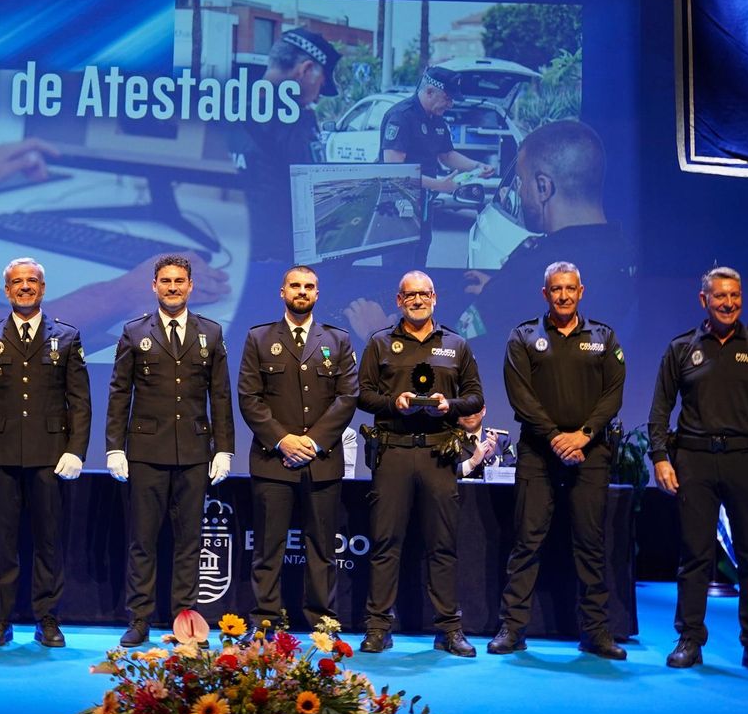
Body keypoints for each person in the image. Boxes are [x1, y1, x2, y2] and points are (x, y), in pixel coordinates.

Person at [649, 266, 748, 675]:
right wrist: (660, 457)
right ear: (704, 301)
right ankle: (690, 639)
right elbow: (660, 409)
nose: (728, 304)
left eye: (735, 296)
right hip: (694, 460)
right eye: (720, 297)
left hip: (746, 459)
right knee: (695, 555)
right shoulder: (681, 348)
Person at [487, 262, 626, 659]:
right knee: (527, 542)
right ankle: (513, 628)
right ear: (544, 293)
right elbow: (520, 395)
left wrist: (582, 436)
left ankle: (597, 632)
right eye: (555, 289)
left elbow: (613, 394)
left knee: (590, 544)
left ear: (581, 291)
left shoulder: (603, 336)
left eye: (569, 289)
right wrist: (555, 437)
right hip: (537, 451)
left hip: (591, 450)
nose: (563, 296)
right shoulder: (524, 336)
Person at [0, 257, 92, 648]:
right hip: (0, 456)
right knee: (2, 543)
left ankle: (47, 619)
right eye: (17, 282)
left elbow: (79, 402)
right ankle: (0, 620)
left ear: (43, 288)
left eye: (32, 281)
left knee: (48, 542)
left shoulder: (66, 337)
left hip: (50, 457)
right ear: (6, 290)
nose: (25, 287)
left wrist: (77, 450)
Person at [105, 255, 234, 647]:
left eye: (179, 281)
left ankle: (185, 622)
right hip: (145, 451)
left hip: (195, 452)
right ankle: (140, 618)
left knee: (189, 541)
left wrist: (224, 450)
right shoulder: (133, 332)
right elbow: (118, 393)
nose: (173, 287)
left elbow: (221, 396)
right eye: (166, 281)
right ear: (154, 286)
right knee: (142, 540)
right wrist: (114, 448)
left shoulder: (210, 333)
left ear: (191, 286)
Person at [357, 270, 483, 657]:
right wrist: (392, 402)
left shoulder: (456, 345)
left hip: (437, 453)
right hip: (393, 451)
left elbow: (475, 396)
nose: (417, 300)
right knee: (385, 544)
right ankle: (378, 627)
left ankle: (449, 628)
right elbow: (361, 394)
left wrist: (452, 405)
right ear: (399, 300)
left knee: (442, 545)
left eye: (423, 294)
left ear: (435, 297)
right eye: (409, 295)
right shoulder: (380, 343)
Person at [237, 265, 358, 630]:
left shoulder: (337, 340)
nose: (301, 291)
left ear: (317, 294)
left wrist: (313, 442)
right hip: (273, 460)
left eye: (309, 286)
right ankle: (265, 623)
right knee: (268, 549)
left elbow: (347, 397)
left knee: (322, 550)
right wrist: (283, 439)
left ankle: (323, 622)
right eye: (295, 286)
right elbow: (249, 397)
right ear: (282, 292)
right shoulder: (259, 338)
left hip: (321, 462)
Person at [464, 120, 634, 330]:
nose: (519, 191)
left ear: (543, 187)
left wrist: (497, 292)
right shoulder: (628, 256)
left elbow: (460, 343)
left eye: (520, 181)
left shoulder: (529, 273)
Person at [226, 27, 341, 263]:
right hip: (278, 258)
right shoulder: (296, 120)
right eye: (321, 84)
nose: (318, 97)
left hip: (233, 248)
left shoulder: (229, 106)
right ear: (306, 70)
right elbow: (315, 194)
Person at [380, 66, 495, 264]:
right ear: (430, 92)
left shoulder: (437, 120)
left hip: (423, 201)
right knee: (398, 262)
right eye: (447, 98)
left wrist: (476, 166)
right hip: (398, 203)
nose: (450, 104)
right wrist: (439, 185)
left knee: (420, 254)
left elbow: (447, 155)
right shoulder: (401, 117)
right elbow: (394, 171)